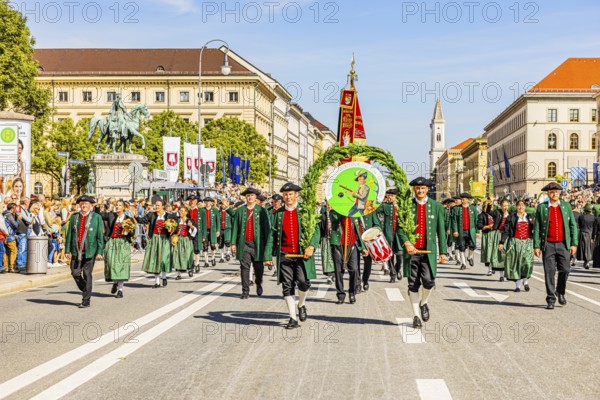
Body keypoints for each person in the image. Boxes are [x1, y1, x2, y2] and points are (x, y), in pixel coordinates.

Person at [398, 177, 447, 329]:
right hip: (412, 252)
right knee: (412, 284)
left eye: (423, 188)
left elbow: (441, 230)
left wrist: (443, 252)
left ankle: (424, 302)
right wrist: (406, 243)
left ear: (427, 189)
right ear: (414, 189)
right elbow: (400, 228)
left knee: (429, 281)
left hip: (429, 251)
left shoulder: (436, 206)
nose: (420, 191)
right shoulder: (407, 207)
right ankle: (416, 316)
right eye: (417, 188)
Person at [271, 183, 320, 329]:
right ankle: (292, 318)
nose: (288, 197)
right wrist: (268, 256)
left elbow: (316, 230)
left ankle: (302, 304)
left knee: (303, 283)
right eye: (285, 195)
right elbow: (271, 236)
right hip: (285, 255)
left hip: (302, 255)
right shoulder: (278, 214)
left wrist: (311, 246)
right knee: (287, 286)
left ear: (296, 195)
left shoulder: (305, 212)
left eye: (290, 194)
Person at [533, 182, 578, 310]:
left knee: (565, 270)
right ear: (548, 193)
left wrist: (574, 243)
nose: (554, 194)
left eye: (557, 192)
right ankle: (551, 298)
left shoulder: (566, 206)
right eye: (552, 192)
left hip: (563, 244)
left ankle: (560, 291)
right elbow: (537, 227)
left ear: (560, 193)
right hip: (548, 244)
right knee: (549, 272)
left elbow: (573, 226)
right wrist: (536, 245)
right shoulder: (542, 208)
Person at [231, 188, 272, 299]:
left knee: (259, 268)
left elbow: (267, 228)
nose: (250, 197)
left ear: (255, 197)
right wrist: (233, 243)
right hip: (244, 244)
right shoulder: (240, 211)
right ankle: (245, 291)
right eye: (248, 196)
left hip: (258, 244)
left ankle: (259, 283)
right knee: (244, 267)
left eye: (252, 195)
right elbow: (235, 228)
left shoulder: (261, 211)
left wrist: (268, 245)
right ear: (246, 197)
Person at [64, 196, 104, 308]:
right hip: (76, 250)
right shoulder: (74, 217)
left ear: (91, 205)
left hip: (90, 250)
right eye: (82, 203)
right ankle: (86, 288)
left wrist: (99, 251)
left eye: (86, 203)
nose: (84, 205)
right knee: (75, 272)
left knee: (87, 274)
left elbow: (99, 235)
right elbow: (70, 235)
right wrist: (67, 250)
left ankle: (86, 300)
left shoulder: (96, 217)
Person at [328, 209, 368, 304]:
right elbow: (333, 218)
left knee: (354, 269)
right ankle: (340, 295)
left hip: (352, 244)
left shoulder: (355, 212)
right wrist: (342, 211)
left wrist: (363, 247)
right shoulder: (334, 210)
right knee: (338, 271)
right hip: (338, 244)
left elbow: (358, 230)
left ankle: (352, 292)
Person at [135, 200, 176, 288]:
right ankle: (157, 282)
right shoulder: (152, 215)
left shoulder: (169, 215)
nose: (156, 207)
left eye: (158, 205)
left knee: (164, 259)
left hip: (164, 239)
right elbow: (142, 221)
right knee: (155, 259)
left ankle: (164, 277)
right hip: (154, 238)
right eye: (155, 205)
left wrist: (172, 230)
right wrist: (136, 216)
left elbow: (175, 227)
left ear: (163, 206)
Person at [499, 199, 535, 292]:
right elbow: (506, 231)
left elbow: (536, 229)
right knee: (516, 263)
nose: (521, 207)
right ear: (516, 207)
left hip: (527, 242)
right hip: (515, 242)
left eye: (523, 205)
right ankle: (518, 285)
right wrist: (502, 242)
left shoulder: (530, 217)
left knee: (527, 262)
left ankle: (525, 281)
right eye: (519, 205)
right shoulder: (511, 218)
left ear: (525, 207)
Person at [102, 200, 136, 298]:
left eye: (119, 205)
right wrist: (97, 206)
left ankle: (120, 290)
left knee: (121, 266)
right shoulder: (111, 216)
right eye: (116, 205)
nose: (117, 206)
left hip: (123, 243)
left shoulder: (129, 219)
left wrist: (128, 231)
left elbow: (132, 234)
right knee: (111, 264)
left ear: (124, 208)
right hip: (112, 242)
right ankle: (115, 282)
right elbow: (100, 214)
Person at [376, 188, 403, 282]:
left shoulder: (401, 206)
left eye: (392, 195)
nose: (390, 197)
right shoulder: (384, 206)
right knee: (390, 255)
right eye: (389, 195)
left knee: (399, 255)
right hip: (388, 233)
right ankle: (393, 274)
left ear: (395, 197)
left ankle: (398, 269)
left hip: (398, 235)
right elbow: (375, 211)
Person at [451, 192, 478, 270]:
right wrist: (455, 230)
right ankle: (463, 263)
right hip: (461, 231)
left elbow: (476, 220)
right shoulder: (457, 208)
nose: (462, 201)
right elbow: (454, 221)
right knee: (461, 247)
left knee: (472, 246)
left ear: (468, 200)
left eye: (464, 199)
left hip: (471, 231)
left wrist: (477, 231)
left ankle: (469, 257)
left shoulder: (473, 208)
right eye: (461, 199)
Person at [172, 205, 197, 280]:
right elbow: (173, 230)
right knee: (177, 255)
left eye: (182, 211)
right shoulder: (177, 220)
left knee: (187, 255)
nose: (180, 212)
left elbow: (194, 231)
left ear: (186, 212)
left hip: (186, 240)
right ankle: (178, 274)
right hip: (178, 240)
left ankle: (190, 269)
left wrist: (191, 226)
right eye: (179, 210)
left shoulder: (189, 220)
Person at [199, 197, 220, 268]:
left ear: (211, 203)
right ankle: (206, 261)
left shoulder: (215, 210)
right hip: (204, 230)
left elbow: (218, 221)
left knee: (213, 245)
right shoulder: (202, 210)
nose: (207, 203)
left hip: (213, 230)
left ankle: (213, 258)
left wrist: (218, 230)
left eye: (209, 202)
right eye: (206, 201)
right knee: (205, 246)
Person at [576, 203, 595, 269]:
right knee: (589, 247)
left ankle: (585, 261)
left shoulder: (581, 216)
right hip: (590, 233)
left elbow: (579, 225)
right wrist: (593, 236)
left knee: (583, 247)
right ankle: (587, 261)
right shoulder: (593, 217)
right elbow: (594, 227)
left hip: (582, 232)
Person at [218, 199, 233, 263]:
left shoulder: (229, 212)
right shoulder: (218, 212)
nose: (223, 205)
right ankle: (222, 257)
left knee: (227, 242)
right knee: (220, 243)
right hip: (220, 229)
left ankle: (228, 253)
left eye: (224, 204)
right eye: (222, 204)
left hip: (228, 229)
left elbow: (232, 221)